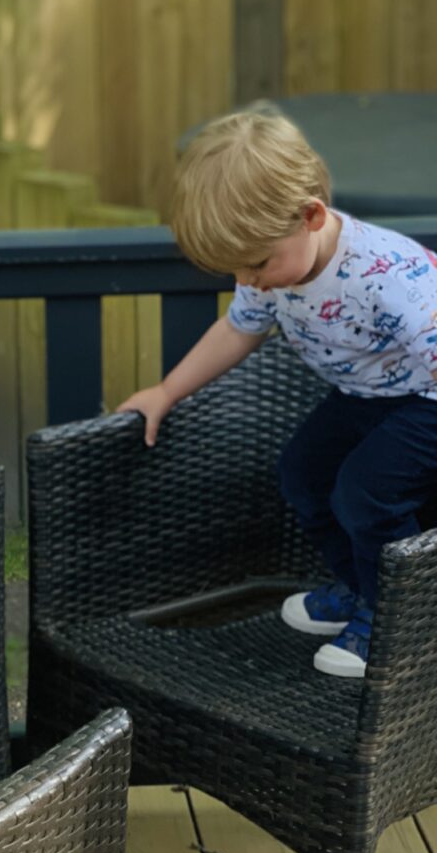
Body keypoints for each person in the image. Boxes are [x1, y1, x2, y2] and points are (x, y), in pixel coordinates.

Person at [118, 108, 437, 680]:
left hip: (427, 400)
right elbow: (239, 328)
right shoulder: (272, 267)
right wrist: (167, 391)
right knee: (302, 475)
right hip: (364, 392)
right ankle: (359, 586)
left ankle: (399, 620)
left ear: (311, 216)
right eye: (236, 270)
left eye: (257, 265)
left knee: (365, 494)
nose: (248, 282)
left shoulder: (385, 276)